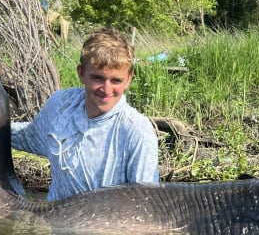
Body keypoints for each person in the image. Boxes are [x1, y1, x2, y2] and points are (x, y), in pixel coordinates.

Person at [11, 27, 159, 201]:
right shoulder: (61, 104)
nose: (106, 89)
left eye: (116, 80)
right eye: (97, 78)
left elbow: (147, 203)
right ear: (81, 73)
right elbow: (28, 137)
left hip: (107, 226)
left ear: (129, 79)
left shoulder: (137, 131)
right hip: (56, 223)